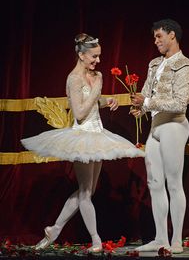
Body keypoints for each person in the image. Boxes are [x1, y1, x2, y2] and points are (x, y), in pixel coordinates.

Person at [21, 33, 144, 252]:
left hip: (97, 135)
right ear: (81, 55)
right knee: (86, 192)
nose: (98, 61)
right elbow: (78, 113)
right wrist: (97, 90)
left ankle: (55, 229)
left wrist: (107, 101)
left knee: (88, 190)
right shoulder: (74, 79)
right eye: (94, 56)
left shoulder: (95, 75)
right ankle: (96, 239)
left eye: (99, 56)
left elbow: (94, 103)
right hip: (82, 137)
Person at [130, 19, 189, 254]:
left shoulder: (185, 66)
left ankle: (176, 239)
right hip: (156, 127)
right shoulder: (154, 63)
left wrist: (147, 102)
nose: (156, 41)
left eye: (159, 36)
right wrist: (141, 106)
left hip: (174, 126)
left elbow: (179, 103)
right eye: (155, 37)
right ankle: (161, 238)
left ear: (172, 35)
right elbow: (147, 92)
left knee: (173, 182)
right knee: (155, 183)